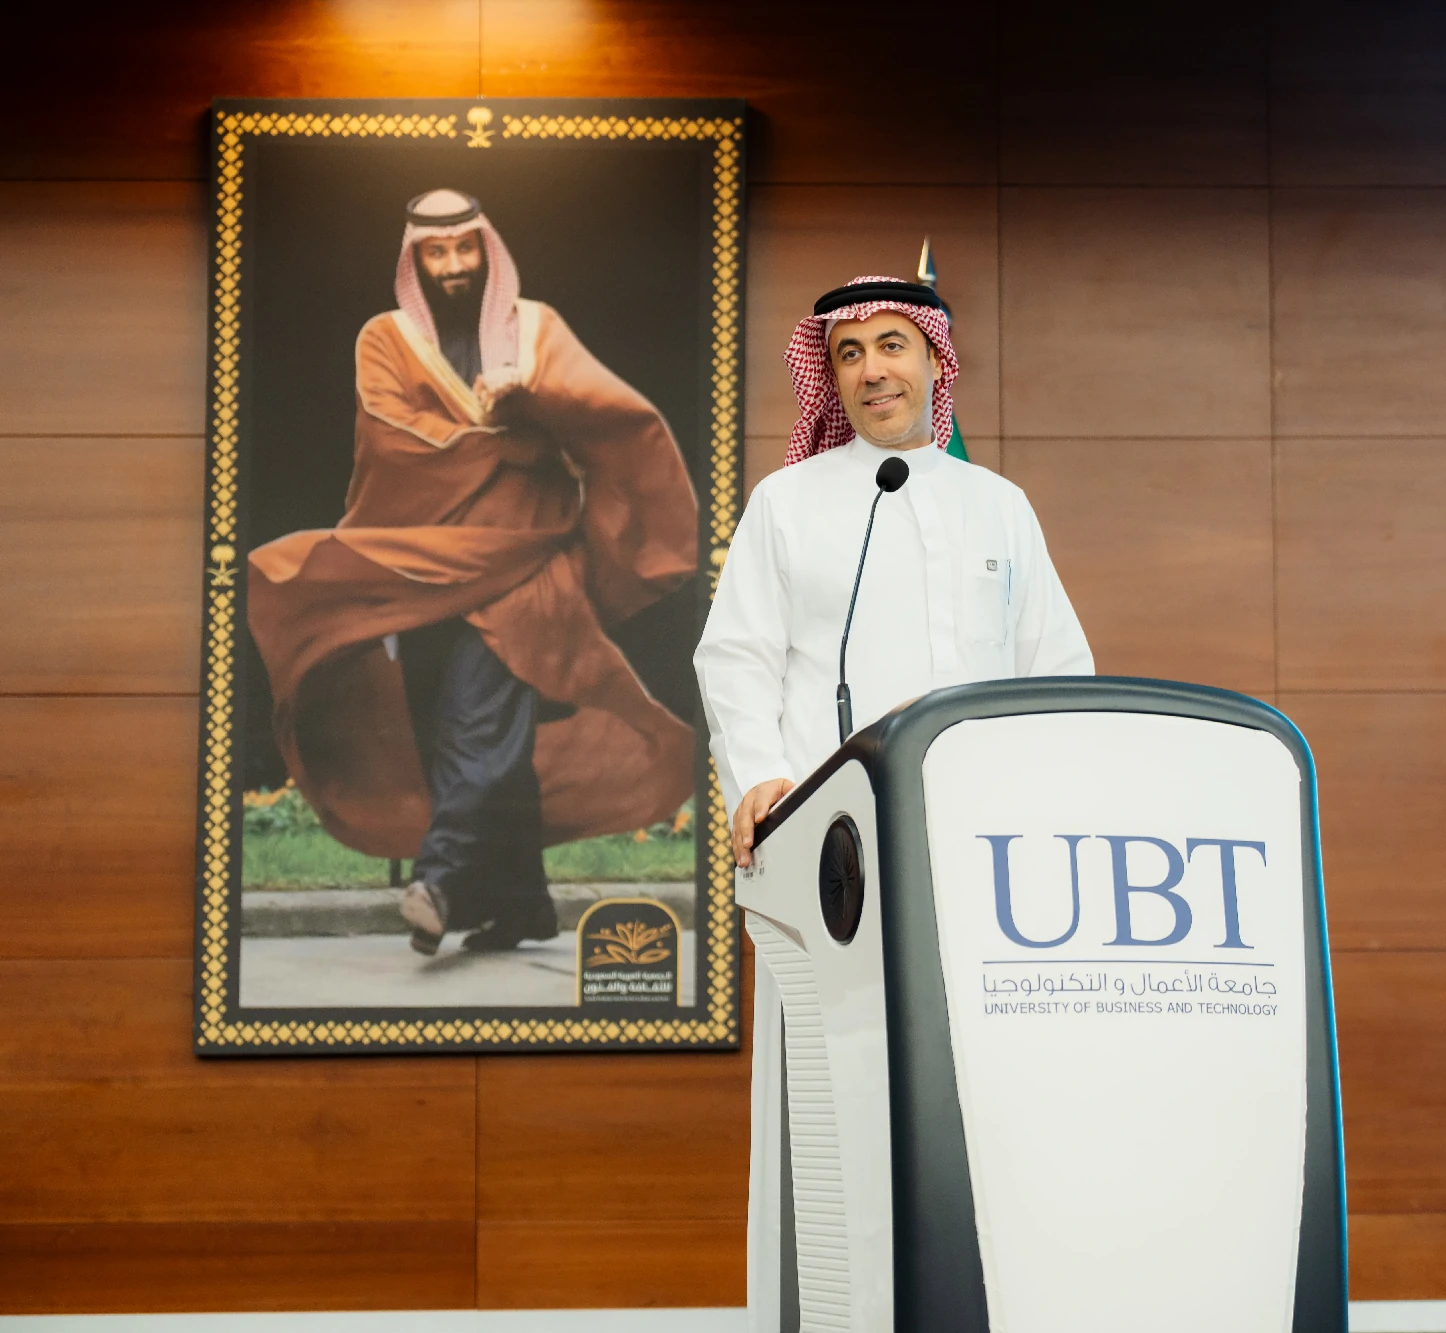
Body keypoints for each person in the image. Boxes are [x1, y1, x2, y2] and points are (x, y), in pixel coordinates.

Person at [693, 275, 1092, 1328]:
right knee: (837, 1114)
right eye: (849, 354)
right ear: (828, 376)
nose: (872, 370)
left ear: (933, 363)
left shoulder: (998, 506)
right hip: (834, 865)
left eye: (891, 346)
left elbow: (1058, 668)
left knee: (982, 1109)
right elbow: (735, 657)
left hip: (987, 867)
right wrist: (760, 776)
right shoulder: (788, 502)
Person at [247, 188, 701, 958]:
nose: (454, 265)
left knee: (476, 724)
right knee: (452, 733)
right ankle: (520, 903)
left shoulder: (539, 330)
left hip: (528, 567)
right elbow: (393, 441)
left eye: (466, 248)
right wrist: (515, 436)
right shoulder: (384, 339)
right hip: (427, 574)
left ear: (488, 250)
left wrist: (536, 401)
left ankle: (439, 883)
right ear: (415, 259)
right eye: (437, 251)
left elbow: (604, 415)